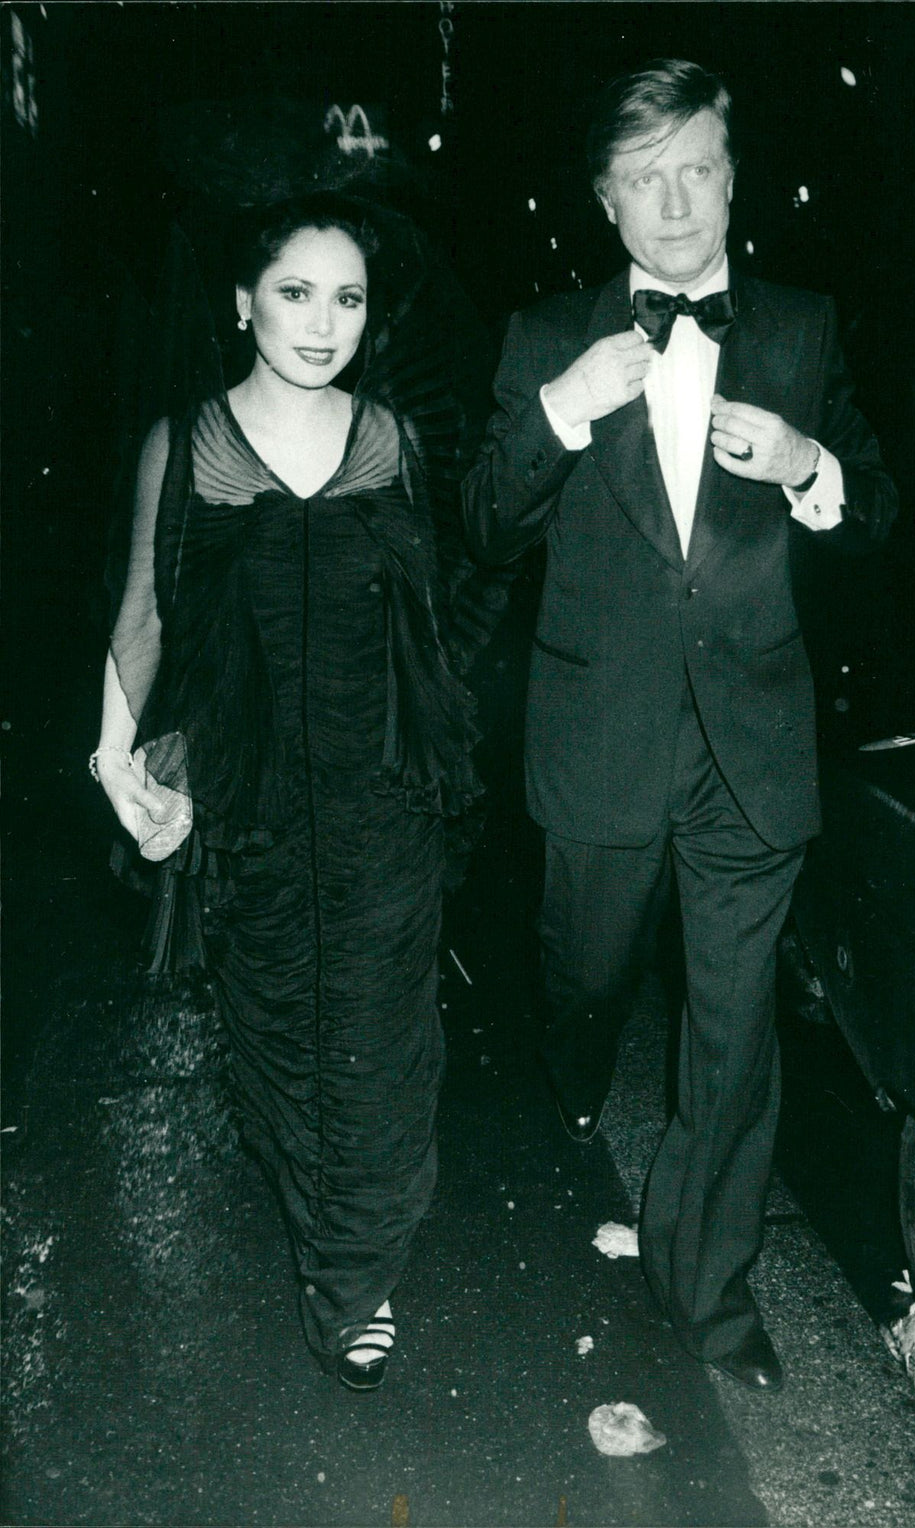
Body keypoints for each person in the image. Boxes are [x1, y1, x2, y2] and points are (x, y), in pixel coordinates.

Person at [463, 59, 897, 1391]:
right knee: (585, 975)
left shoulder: (803, 328)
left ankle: (707, 1289)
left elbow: (879, 512)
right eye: (643, 181)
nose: (674, 205)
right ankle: (575, 1060)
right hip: (601, 732)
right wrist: (562, 408)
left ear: (733, 179)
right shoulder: (546, 336)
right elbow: (480, 526)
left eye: (696, 170)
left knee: (734, 1027)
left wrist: (810, 465)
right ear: (604, 201)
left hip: (747, 745)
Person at [93, 190, 488, 1392]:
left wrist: (442, 767)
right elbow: (147, 615)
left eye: (348, 298)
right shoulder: (185, 443)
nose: (323, 323)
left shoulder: (393, 442)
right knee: (279, 1040)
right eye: (296, 292)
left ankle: (352, 1279)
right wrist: (116, 761)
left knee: (381, 1041)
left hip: (382, 801)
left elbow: (431, 624)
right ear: (243, 302)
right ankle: (329, 1229)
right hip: (252, 806)